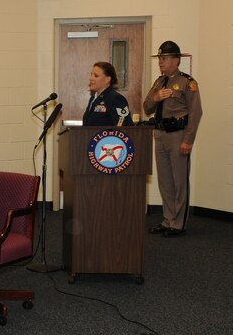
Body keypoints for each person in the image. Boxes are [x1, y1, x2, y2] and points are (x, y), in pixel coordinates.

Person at [143, 40, 202, 238]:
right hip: (159, 135)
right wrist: (156, 97)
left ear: (176, 60)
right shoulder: (158, 83)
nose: (161, 62)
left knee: (179, 181)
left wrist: (188, 140)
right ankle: (168, 219)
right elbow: (147, 108)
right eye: (160, 58)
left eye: (165, 58)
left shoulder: (187, 82)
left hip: (178, 136)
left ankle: (178, 223)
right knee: (165, 181)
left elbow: (196, 113)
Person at [83, 61, 133, 127]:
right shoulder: (93, 98)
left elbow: (124, 127)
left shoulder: (115, 98)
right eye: (91, 75)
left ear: (107, 79)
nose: (90, 78)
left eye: (96, 76)